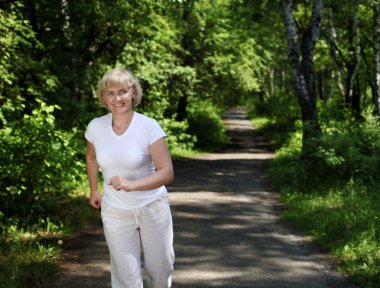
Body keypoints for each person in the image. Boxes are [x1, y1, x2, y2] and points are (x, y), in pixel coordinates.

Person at [85, 67, 175, 288]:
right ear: (103, 98)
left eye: (123, 91)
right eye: (110, 93)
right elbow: (92, 158)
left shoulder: (149, 126)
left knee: (160, 269)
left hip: (152, 207)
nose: (118, 98)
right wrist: (94, 189)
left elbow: (167, 172)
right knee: (126, 277)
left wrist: (132, 185)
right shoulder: (96, 127)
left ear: (133, 93)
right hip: (115, 211)